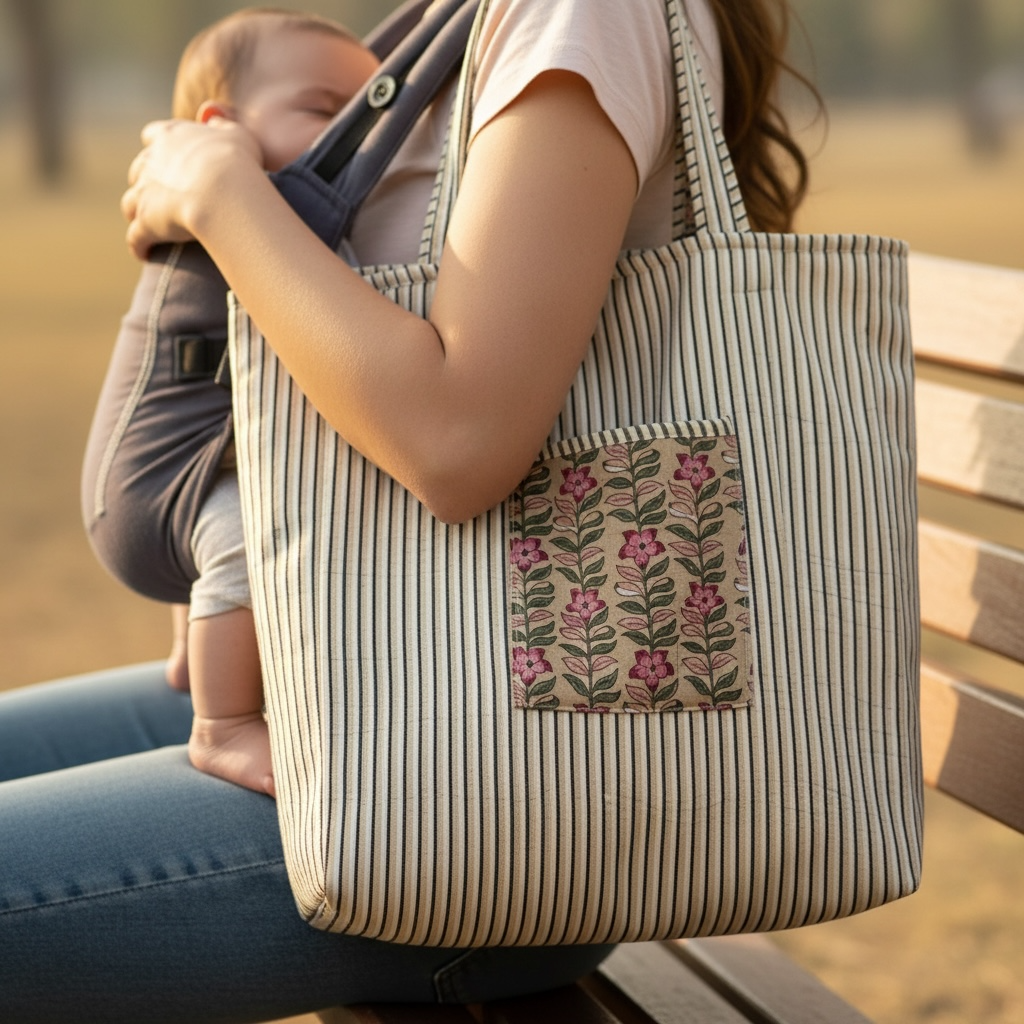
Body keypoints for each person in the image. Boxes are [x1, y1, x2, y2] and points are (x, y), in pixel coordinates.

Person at [0, 1, 814, 1020]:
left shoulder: (582, 18)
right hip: (366, 683)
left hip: (476, 799)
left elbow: (458, 444)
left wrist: (220, 194)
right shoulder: (445, 24)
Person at [126, 8, 382, 797]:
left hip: (186, 464)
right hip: (167, 483)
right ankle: (223, 726)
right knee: (242, 535)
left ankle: (191, 649)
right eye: (320, 108)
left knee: (227, 541)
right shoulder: (248, 197)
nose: (354, 136)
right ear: (219, 130)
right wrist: (223, 166)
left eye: (369, 113)